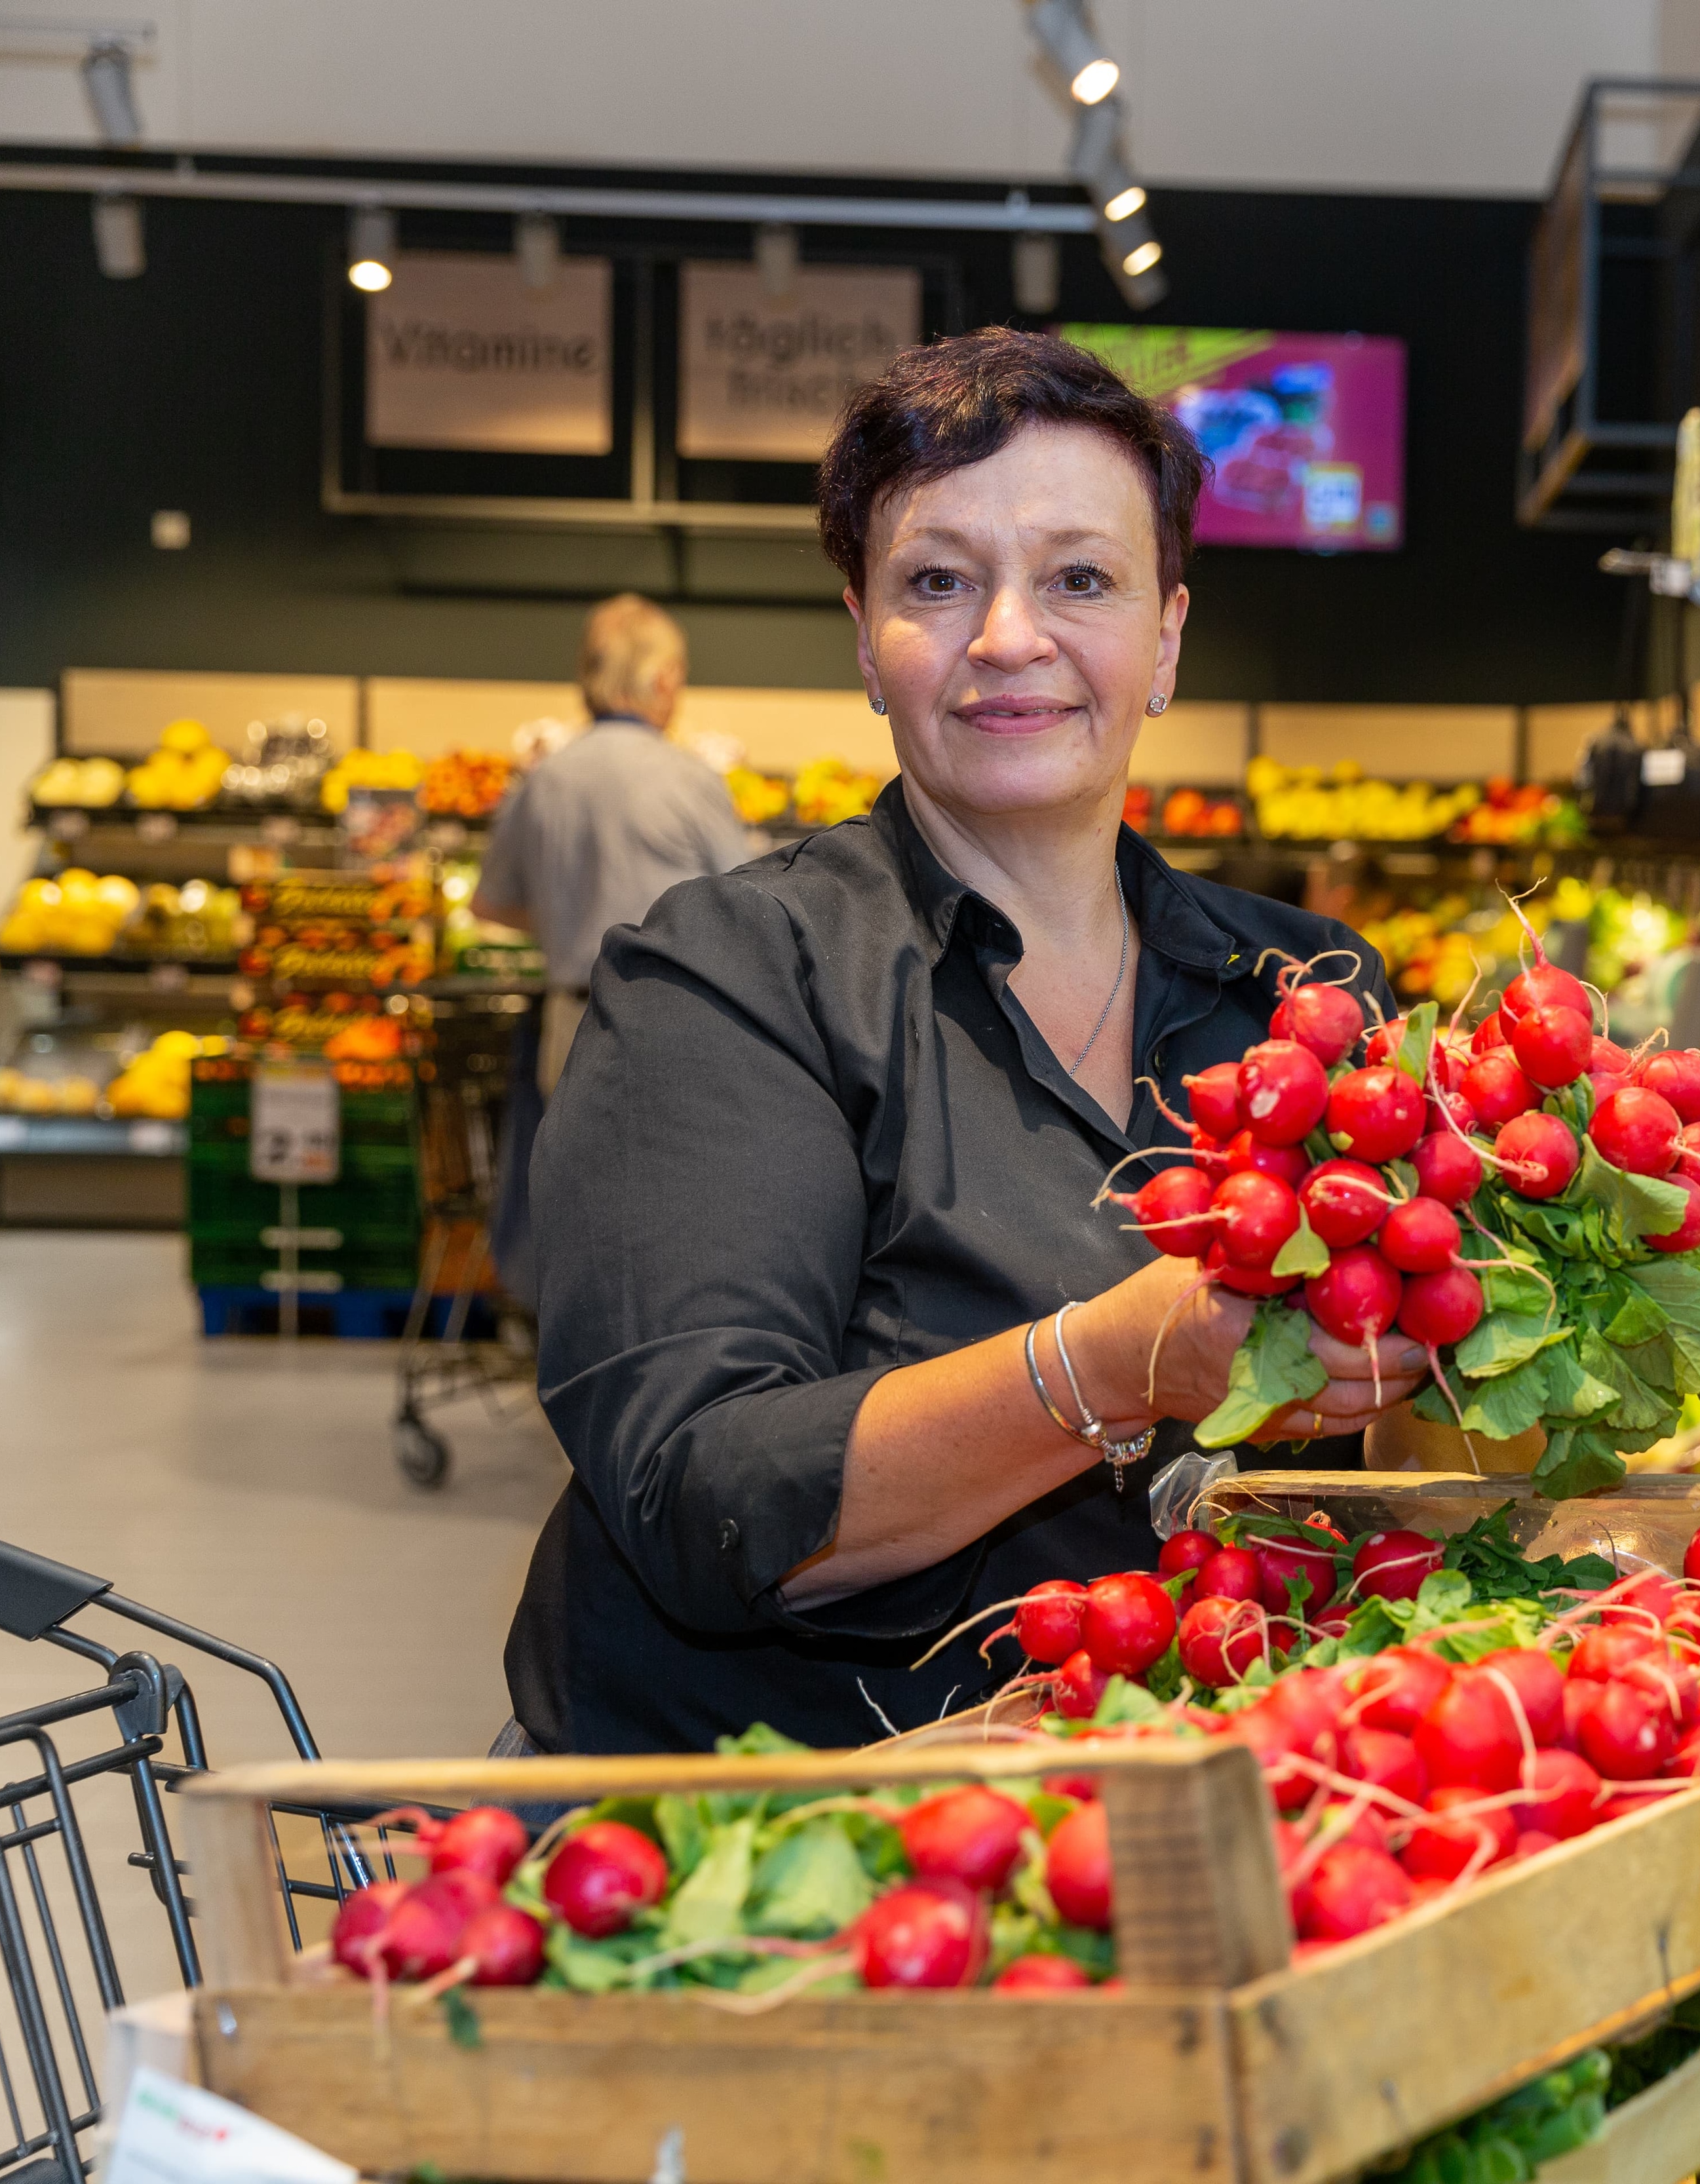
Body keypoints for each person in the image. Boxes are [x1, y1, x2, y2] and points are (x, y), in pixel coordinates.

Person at [499, 330, 1428, 1755]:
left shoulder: (1305, 993)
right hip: (774, 1837)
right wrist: (1108, 1366)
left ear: (1165, 638)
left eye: (1080, 577)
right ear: (867, 641)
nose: (1009, 635)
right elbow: (707, 1495)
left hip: (1196, 1799)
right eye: (939, 580)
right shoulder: (724, 982)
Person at [473, 593, 754, 1098]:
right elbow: (745, 908)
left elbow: (490, 903)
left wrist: (572, 917)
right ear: (664, 677)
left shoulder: (541, 779)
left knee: (572, 1177)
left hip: (568, 1031)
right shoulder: (689, 779)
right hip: (672, 1029)